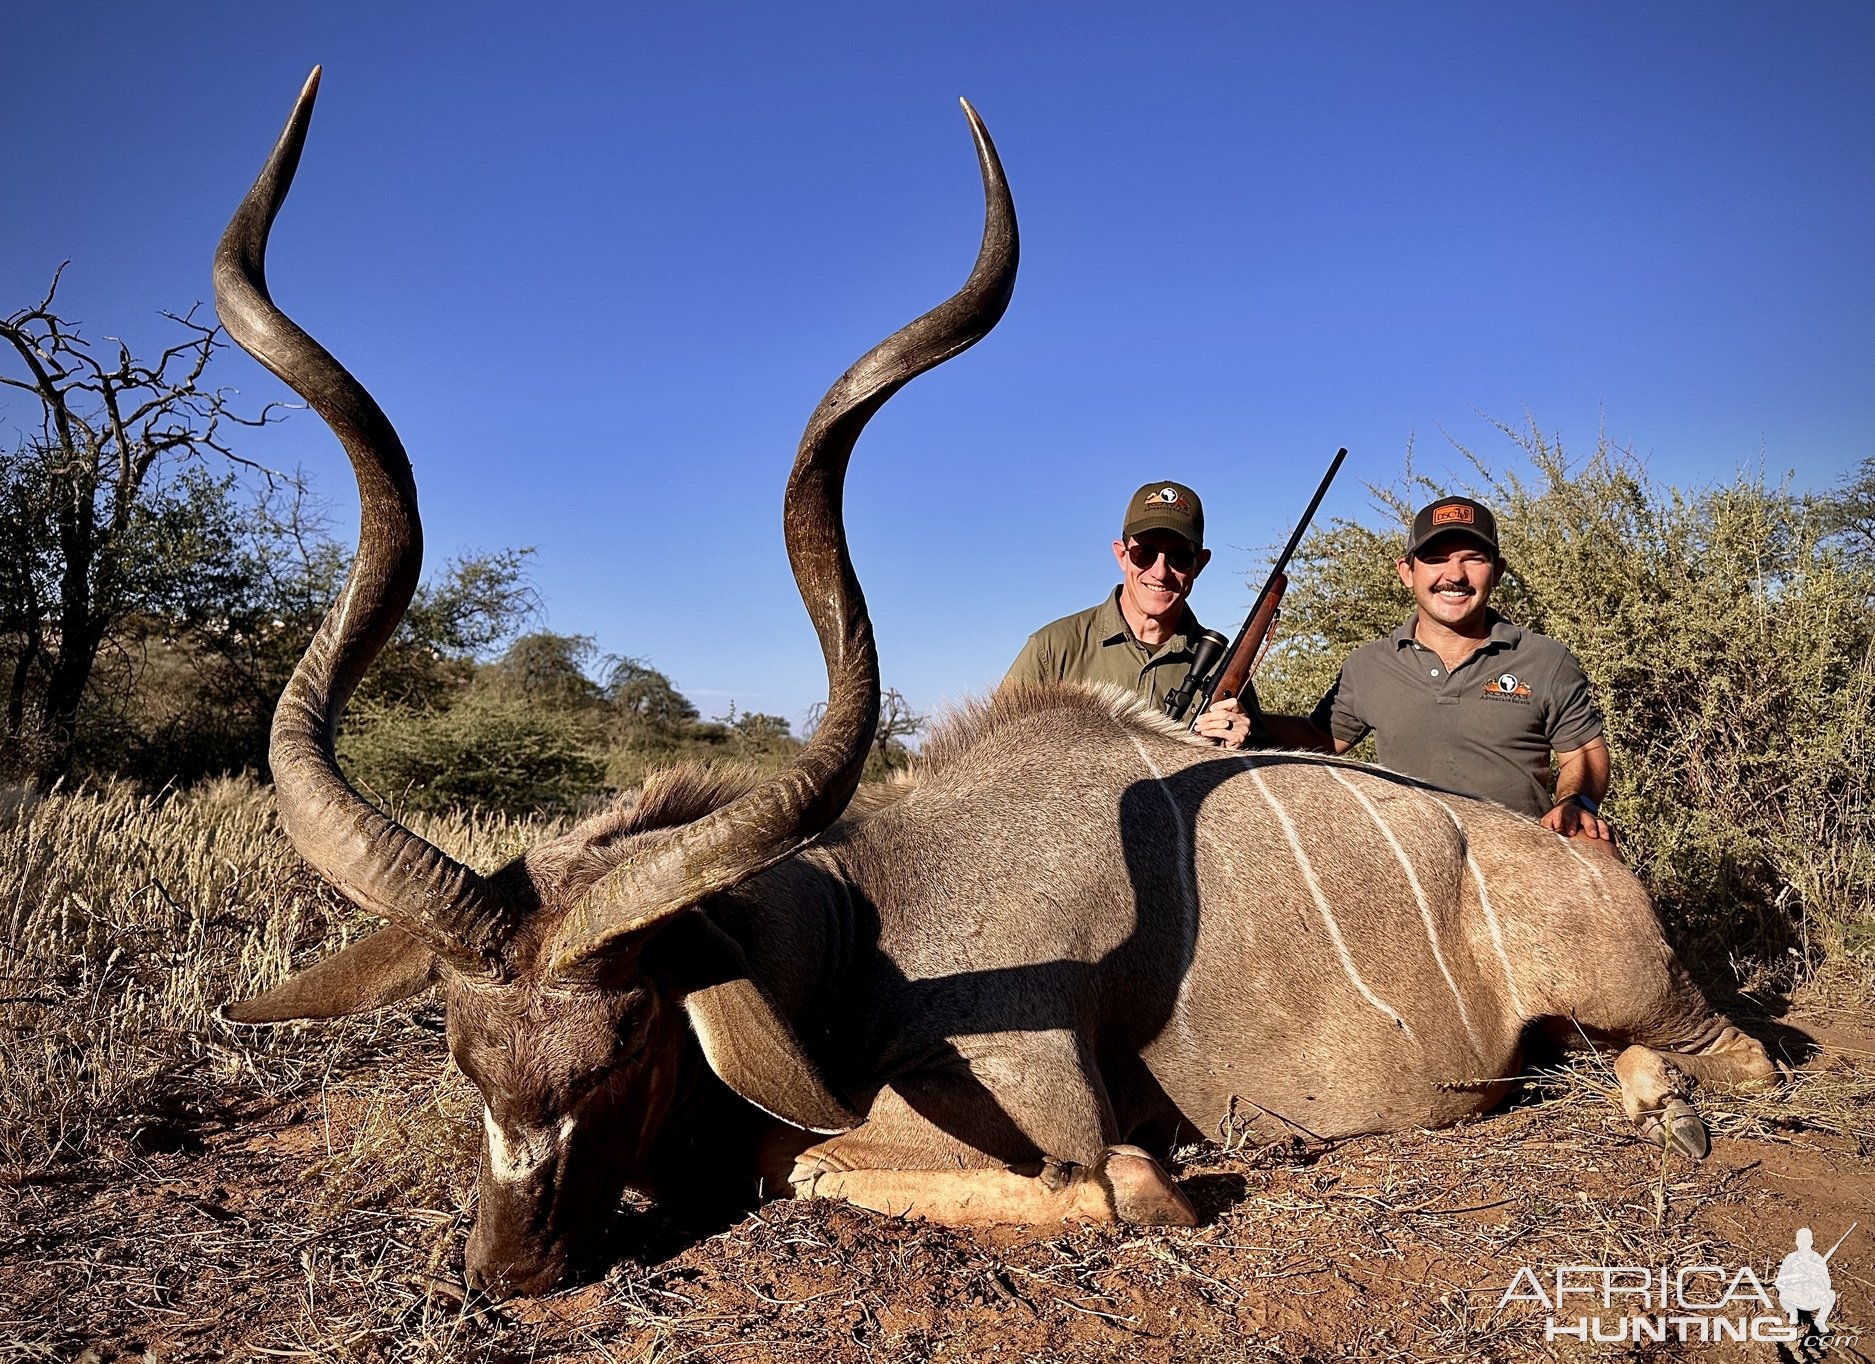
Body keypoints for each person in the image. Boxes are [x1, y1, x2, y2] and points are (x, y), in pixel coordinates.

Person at [1305, 495, 1615, 842]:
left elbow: (1585, 752)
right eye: (1436, 560)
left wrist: (1576, 801)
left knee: (1598, 849)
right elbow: (1321, 740)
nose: (1454, 575)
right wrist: (1247, 715)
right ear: (1407, 572)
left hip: (1520, 859)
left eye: (1473, 559)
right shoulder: (1367, 665)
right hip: (1409, 855)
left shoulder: (1545, 659)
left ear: (1497, 571)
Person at [1003, 480, 1262, 749]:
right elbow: (995, 752)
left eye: (1179, 558)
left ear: (1200, 564)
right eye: (1144, 554)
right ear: (1122, 555)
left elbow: (1265, 771)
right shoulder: (1053, 649)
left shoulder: (1223, 665)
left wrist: (1243, 744)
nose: (1160, 572)